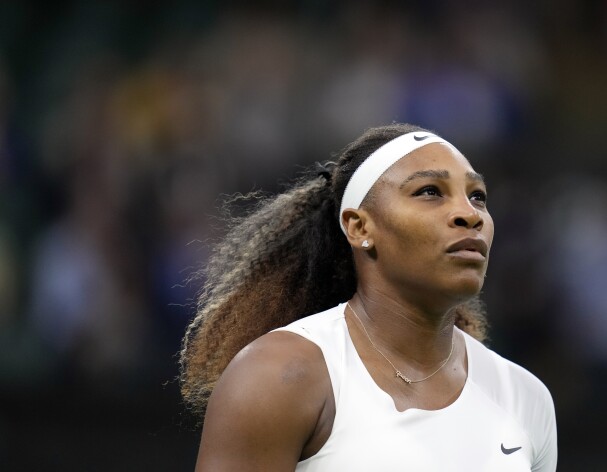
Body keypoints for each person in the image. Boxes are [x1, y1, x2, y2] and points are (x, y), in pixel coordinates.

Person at [179, 123, 557, 471]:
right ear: (359, 226)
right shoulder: (280, 374)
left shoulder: (525, 398)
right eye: (429, 192)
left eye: (478, 197)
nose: (468, 214)